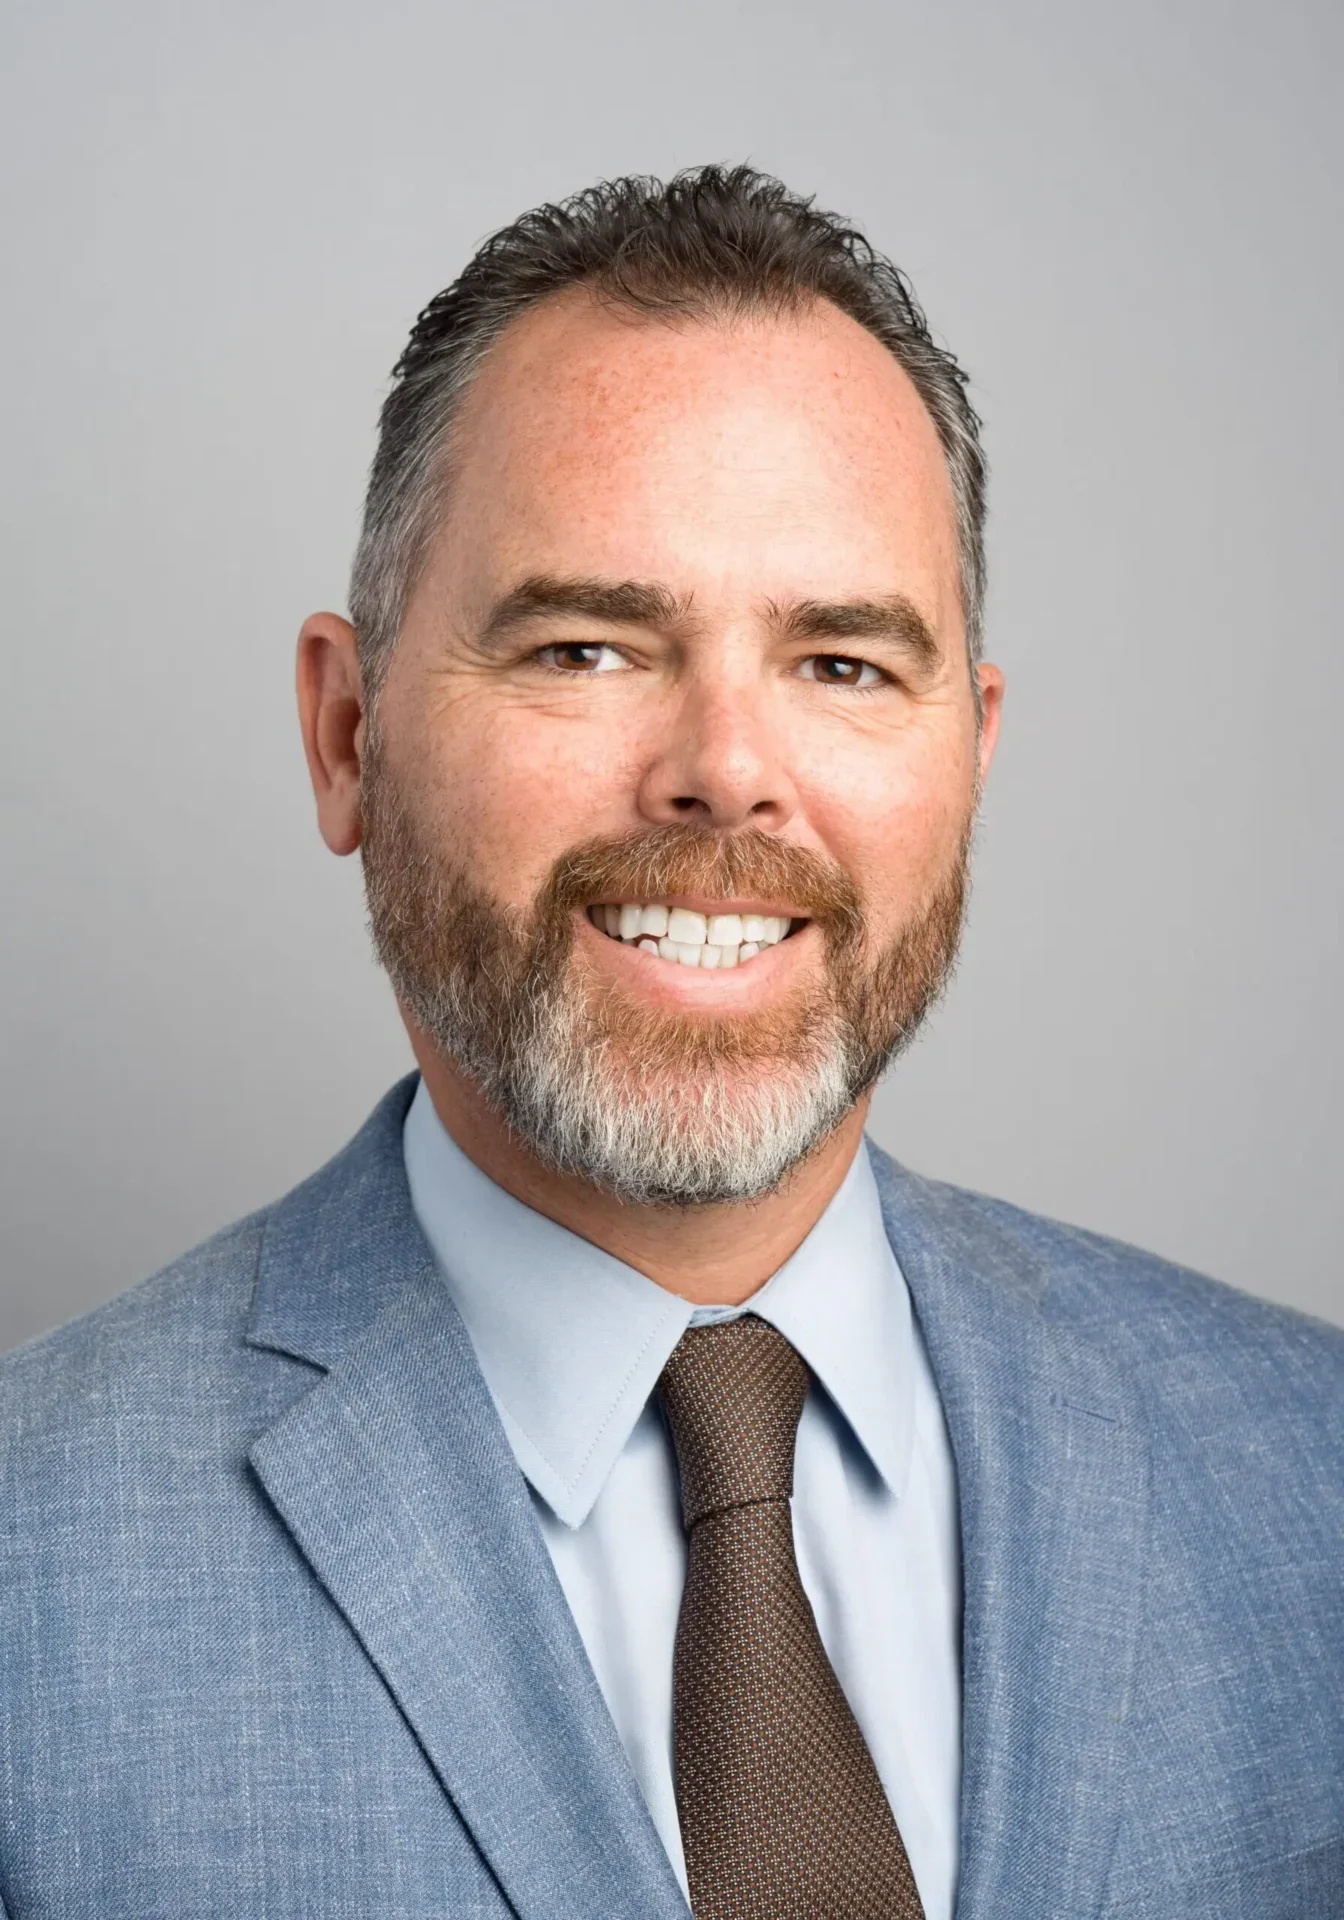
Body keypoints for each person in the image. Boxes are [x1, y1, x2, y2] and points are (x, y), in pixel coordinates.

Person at [1, 166, 1340, 1920]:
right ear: (346, 737)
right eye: (588, 645)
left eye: (845, 664)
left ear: (973, 757)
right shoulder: (34, 1580)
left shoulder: (1310, 1472)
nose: (726, 767)